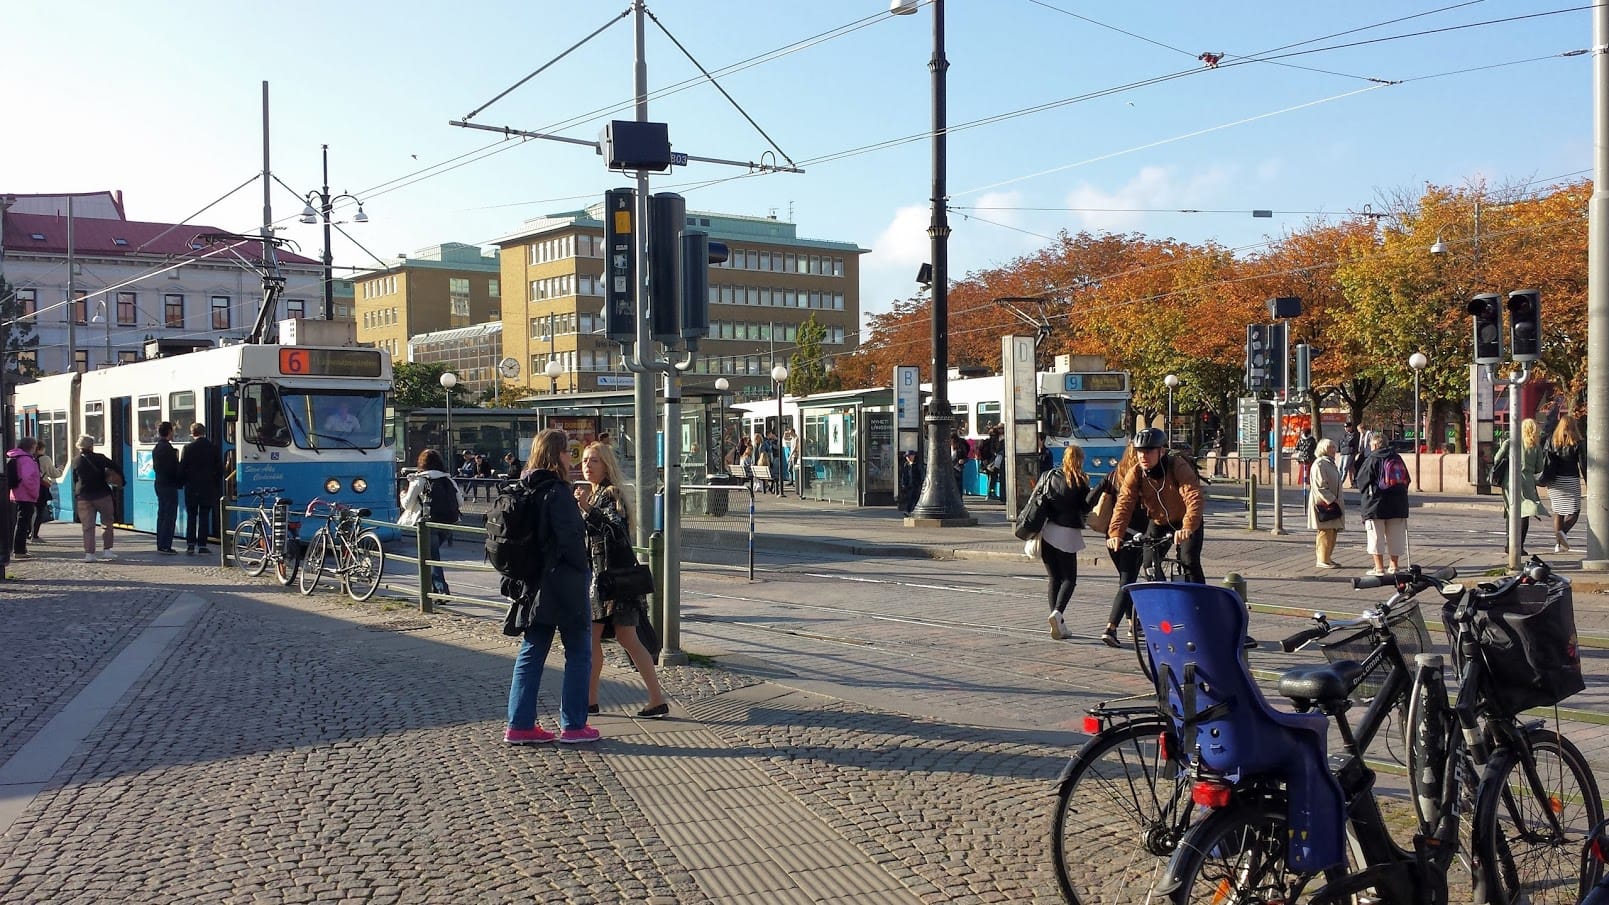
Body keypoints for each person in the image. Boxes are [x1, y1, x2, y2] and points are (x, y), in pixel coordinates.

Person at [505, 428, 598, 745]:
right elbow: (571, 540)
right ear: (556, 455)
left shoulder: (525, 486)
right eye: (567, 453)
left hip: (534, 583)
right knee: (579, 652)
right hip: (564, 583)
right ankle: (573, 725)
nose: (569, 459)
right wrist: (584, 567)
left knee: (532, 652)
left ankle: (519, 724)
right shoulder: (557, 492)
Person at [575, 441, 668, 720]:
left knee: (621, 639)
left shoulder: (609, 494)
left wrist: (585, 509)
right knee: (612, 639)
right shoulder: (592, 495)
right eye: (585, 461)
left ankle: (652, 698)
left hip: (612, 582)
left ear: (606, 466)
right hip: (603, 580)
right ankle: (598, 700)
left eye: (594, 461)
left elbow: (614, 529)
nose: (587, 466)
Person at [1106, 428, 1206, 584]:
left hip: (1185, 520)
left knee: (1189, 562)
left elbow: (1193, 496)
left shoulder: (1177, 466)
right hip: (1159, 522)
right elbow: (1124, 504)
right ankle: (1165, 598)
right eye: (1140, 452)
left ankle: (1199, 604)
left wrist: (1188, 526)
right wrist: (1115, 533)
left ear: (1161, 451)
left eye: (1149, 451)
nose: (1143, 456)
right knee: (1149, 565)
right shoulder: (1136, 473)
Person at [1039, 445, 1093, 640]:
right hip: (1067, 533)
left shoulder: (1050, 475)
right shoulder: (1080, 480)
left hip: (1047, 530)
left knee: (1054, 578)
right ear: (1080, 459)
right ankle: (1058, 613)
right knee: (1069, 578)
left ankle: (1057, 622)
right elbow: (1085, 507)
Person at [1098, 445, 1151, 648]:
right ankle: (1110, 628)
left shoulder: (1112, 476)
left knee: (1125, 580)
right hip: (1133, 537)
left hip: (1111, 537)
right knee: (1126, 582)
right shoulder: (1143, 477)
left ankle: (1132, 623)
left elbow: (1089, 500)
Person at [399, 449, 460, 594]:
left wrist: (403, 494)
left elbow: (408, 504)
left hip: (428, 523)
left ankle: (441, 590)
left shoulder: (420, 479)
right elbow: (460, 502)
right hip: (447, 522)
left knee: (431, 557)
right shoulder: (448, 479)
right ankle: (433, 590)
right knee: (431, 556)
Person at [1354, 433, 1409, 576]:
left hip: (1375, 505)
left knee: (1375, 536)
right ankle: (1394, 566)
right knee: (1396, 536)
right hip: (1398, 504)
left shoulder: (1372, 459)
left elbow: (1361, 481)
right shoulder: (1396, 458)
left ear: (1374, 445)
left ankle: (1379, 568)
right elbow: (1407, 479)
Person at [1493, 418, 1546, 555]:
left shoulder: (1510, 442)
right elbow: (1539, 468)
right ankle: (1519, 545)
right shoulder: (1535, 446)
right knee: (1525, 513)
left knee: (1511, 510)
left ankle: (1509, 543)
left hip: (1509, 480)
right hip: (1527, 481)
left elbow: (1496, 459)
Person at [71, 435, 120, 562]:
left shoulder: (76, 461)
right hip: (102, 495)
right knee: (107, 523)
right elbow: (115, 467)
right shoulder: (100, 458)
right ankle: (107, 551)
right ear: (91, 446)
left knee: (88, 526)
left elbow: (75, 479)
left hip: (83, 497)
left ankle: (89, 554)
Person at [1543, 413, 1585, 553]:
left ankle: (1558, 544)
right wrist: (1588, 482)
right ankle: (1563, 534)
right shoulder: (1577, 441)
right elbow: (1583, 464)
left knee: (1558, 512)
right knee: (1575, 511)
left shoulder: (1552, 440)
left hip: (1554, 481)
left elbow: (1546, 459)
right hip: (1570, 479)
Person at [179, 423, 222, 555]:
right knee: (204, 516)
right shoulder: (213, 448)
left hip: (191, 488)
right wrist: (214, 483)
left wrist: (184, 482)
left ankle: (190, 545)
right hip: (207, 488)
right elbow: (219, 470)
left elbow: (182, 469)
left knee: (191, 516)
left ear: (192, 433)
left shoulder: (187, 448)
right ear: (204, 432)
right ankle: (202, 545)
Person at [1308, 437, 1345, 569]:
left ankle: (1328, 557)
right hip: (1324, 504)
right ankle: (1322, 559)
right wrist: (1331, 499)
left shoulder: (1330, 463)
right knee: (1325, 532)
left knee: (1332, 531)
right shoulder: (1320, 464)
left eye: (1334, 447)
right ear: (1323, 449)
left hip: (1333, 503)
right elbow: (1319, 486)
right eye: (1330, 447)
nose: (1334, 450)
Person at [6, 438, 41, 559]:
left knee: (21, 521)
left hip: (17, 493)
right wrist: (34, 493)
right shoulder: (27, 460)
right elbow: (28, 479)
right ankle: (19, 550)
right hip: (26, 495)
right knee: (23, 523)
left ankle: (20, 549)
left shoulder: (17, 457)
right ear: (31, 447)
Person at [152, 421, 181, 554]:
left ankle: (160, 543)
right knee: (169, 516)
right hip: (169, 485)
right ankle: (166, 545)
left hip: (159, 483)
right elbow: (173, 468)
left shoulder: (157, 447)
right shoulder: (168, 449)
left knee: (162, 514)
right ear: (169, 432)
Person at [30, 445, 56, 542]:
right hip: (41, 488)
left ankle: (29, 533)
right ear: (40, 449)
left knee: (29, 512)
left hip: (30, 488)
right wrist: (61, 469)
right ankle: (34, 535)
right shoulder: (45, 459)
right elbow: (54, 473)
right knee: (39, 511)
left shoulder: (30, 458)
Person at [897, 449, 923, 516]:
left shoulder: (917, 465)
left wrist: (921, 482)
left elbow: (921, 474)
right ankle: (909, 511)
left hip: (916, 484)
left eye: (909, 456)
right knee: (910, 498)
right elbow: (904, 475)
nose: (908, 458)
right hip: (909, 485)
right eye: (907, 457)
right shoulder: (906, 465)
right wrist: (904, 483)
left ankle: (911, 511)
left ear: (913, 456)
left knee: (915, 498)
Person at [1339, 422, 1361, 488]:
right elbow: (1340, 442)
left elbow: (1350, 442)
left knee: (1345, 468)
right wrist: (1345, 443)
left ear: (1350, 427)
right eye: (1345, 427)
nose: (1346, 428)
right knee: (1340, 468)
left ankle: (1341, 482)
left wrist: (1345, 443)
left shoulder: (1354, 434)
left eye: (1347, 427)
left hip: (1349, 453)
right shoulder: (1344, 434)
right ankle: (1339, 481)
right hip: (1343, 453)